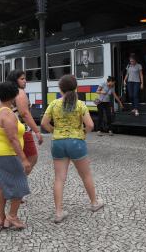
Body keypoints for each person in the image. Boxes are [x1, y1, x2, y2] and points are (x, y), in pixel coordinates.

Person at [41, 75, 104, 223]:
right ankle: (94, 203)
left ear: (60, 89)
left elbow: (44, 123)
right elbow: (90, 125)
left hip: (58, 143)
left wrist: (54, 131)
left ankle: (58, 212)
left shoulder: (54, 104)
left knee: (59, 178)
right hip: (76, 142)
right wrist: (81, 134)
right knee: (86, 175)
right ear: (76, 88)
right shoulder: (80, 104)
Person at [0, 81, 31, 231]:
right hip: (6, 155)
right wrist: (24, 159)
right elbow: (13, 139)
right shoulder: (7, 115)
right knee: (19, 186)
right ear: (13, 96)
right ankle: (12, 216)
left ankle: (0, 220)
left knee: (1, 186)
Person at [6, 70, 43, 173]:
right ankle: (17, 180)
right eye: (22, 79)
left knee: (19, 157)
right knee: (33, 157)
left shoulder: (10, 92)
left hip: (13, 128)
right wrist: (37, 131)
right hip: (23, 129)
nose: (25, 81)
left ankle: (14, 180)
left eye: (25, 78)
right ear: (15, 80)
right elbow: (25, 114)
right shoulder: (20, 93)